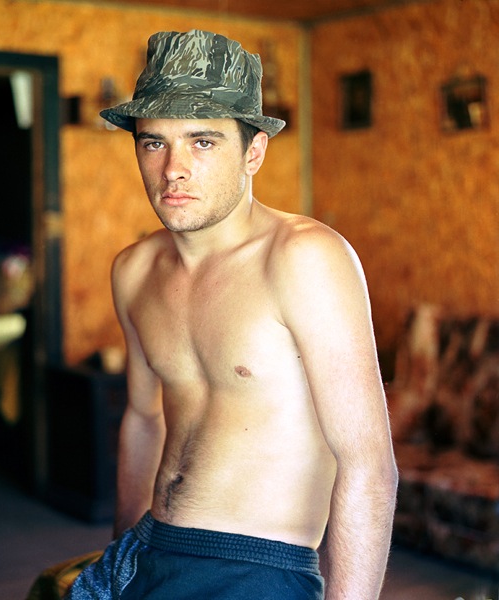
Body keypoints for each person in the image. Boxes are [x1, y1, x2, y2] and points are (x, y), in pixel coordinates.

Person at [67, 29, 397, 600]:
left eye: (203, 141)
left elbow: (368, 466)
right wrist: (121, 553)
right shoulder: (135, 270)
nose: (173, 168)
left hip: (256, 568)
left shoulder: (304, 259)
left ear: (254, 151)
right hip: (147, 550)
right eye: (153, 143)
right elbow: (145, 419)